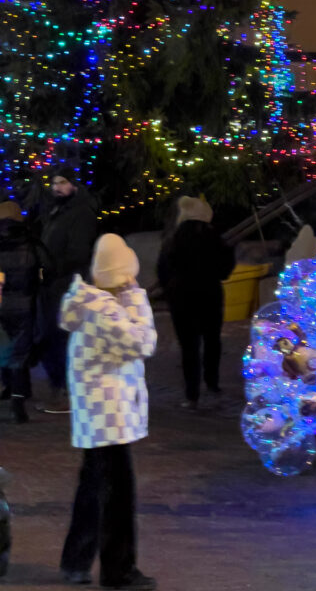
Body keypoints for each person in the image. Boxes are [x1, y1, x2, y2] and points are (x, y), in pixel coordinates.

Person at [59, 233, 157, 590]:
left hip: (97, 416)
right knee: (117, 496)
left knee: (93, 488)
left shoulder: (89, 305)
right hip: (107, 417)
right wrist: (136, 296)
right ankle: (118, 571)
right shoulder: (104, 310)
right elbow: (143, 342)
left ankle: (76, 561)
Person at [157, 196, 235, 408]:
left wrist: (170, 288)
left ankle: (192, 393)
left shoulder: (173, 238)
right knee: (212, 341)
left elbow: (162, 269)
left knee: (188, 345)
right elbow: (226, 268)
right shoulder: (215, 237)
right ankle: (212, 383)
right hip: (210, 293)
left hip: (181, 296)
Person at [37, 167, 99, 414]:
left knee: (63, 337)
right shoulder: (56, 211)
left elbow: (78, 253)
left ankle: (67, 390)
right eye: (54, 183)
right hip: (53, 284)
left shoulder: (81, 213)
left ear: (73, 184)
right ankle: (59, 386)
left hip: (69, 285)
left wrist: (52, 269)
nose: (57, 188)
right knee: (49, 337)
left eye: (62, 182)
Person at [0, 201, 40, 423]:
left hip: (1, 303)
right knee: (20, 353)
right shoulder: (28, 243)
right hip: (24, 304)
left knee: (3, 348)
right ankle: (18, 403)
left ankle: (7, 387)